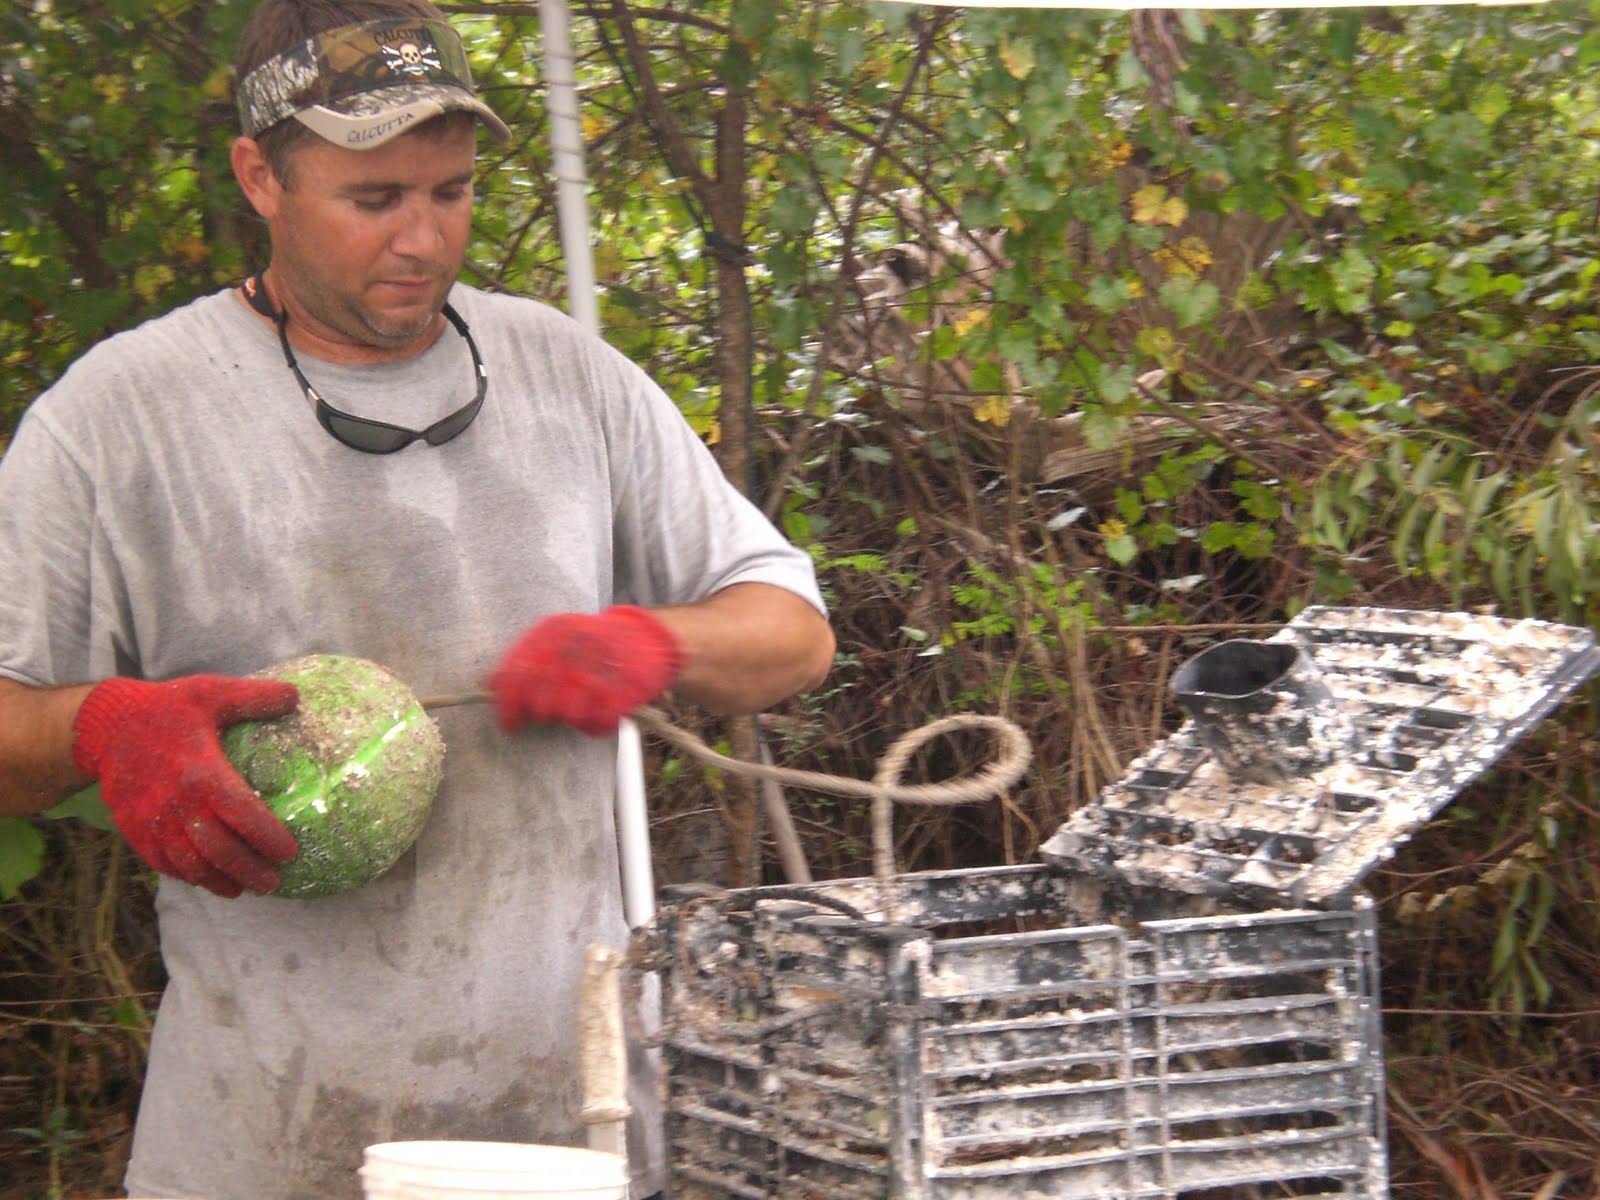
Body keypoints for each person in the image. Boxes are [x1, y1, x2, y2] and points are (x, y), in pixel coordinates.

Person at [0, 1, 834, 1197]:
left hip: (569, 1126)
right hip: (266, 1131)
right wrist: (101, 726)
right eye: (375, 199)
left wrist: (657, 642)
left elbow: (790, 633)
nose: (424, 240)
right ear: (260, 177)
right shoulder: (116, 419)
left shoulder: (567, 372)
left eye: (450, 192)